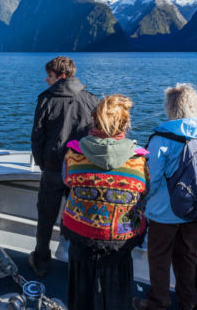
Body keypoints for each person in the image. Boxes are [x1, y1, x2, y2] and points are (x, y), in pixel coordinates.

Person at [61, 94, 150, 310]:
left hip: (80, 231)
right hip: (121, 236)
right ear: (125, 124)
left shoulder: (73, 154)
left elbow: (66, 181)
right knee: (118, 297)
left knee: (81, 297)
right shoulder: (139, 161)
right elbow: (145, 192)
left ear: (94, 121)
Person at [134, 83, 197, 310]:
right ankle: (188, 302)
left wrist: (142, 204)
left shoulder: (161, 137)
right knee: (188, 259)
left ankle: (158, 304)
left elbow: (153, 178)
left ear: (170, 107)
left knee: (159, 259)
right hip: (195, 212)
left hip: (164, 213)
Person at [29, 56, 97, 277]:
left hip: (53, 167)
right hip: (80, 170)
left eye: (50, 76)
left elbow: (37, 137)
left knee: (46, 215)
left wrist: (41, 163)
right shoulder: (91, 100)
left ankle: (41, 260)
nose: (46, 80)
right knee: (79, 216)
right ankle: (75, 261)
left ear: (62, 77)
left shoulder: (46, 100)